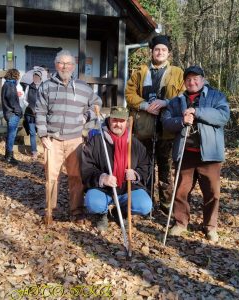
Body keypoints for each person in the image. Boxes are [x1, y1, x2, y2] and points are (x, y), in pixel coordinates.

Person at [161, 65, 230, 242]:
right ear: (184, 82)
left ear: (203, 79)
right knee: (181, 191)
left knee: (212, 193)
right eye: (189, 79)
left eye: (196, 78)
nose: (192, 82)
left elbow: (223, 116)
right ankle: (181, 222)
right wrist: (181, 121)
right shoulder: (176, 101)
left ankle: (210, 227)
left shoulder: (216, 96)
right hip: (185, 154)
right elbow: (166, 122)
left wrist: (197, 112)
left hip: (210, 155)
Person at [35, 49, 102, 224]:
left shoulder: (83, 87)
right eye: (61, 63)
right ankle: (50, 210)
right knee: (51, 177)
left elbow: (97, 104)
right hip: (52, 139)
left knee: (76, 177)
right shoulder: (46, 86)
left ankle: (76, 211)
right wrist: (43, 136)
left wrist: (87, 116)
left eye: (68, 63)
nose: (64, 67)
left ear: (73, 66)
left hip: (75, 140)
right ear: (56, 65)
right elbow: (40, 112)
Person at [125, 35, 185, 215]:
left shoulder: (178, 73)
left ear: (169, 53)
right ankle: (146, 204)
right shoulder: (140, 71)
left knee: (166, 171)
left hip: (167, 131)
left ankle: (166, 207)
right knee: (145, 168)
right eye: (157, 49)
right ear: (152, 51)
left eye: (164, 50)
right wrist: (145, 106)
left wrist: (166, 103)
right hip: (144, 130)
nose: (160, 52)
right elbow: (129, 94)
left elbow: (183, 94)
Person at [81, 106, 152, 231]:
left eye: (121, 121)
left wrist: (136, 174)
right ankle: (102, 213)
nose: (118, 124)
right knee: (92, 202)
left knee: (145, 205)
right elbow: (86, 167)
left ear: (127, 123)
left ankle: (122, 211)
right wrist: (102, 178)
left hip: (127, 188)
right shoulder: (97, 141)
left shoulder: (135, 144)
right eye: (114, 120)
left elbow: (146, 166)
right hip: (103, 190)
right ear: (109, 120)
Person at [1, 68, 23, 165]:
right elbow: (12, 101)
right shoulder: (10, 85)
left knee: (10, 135)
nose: (19, 77)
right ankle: (9, 157)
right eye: (18, 75)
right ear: (15, 75)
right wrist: (19, 111)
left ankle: (7, 155)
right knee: (11, 136)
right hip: (12, 114)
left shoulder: (6, 84)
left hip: (9, 113)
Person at [23, 70, 42, 159]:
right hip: (29, 114)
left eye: (37, 77)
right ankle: (34, 151)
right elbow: (24, 99)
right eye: (34, 77)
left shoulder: (43, 87)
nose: (36, 78)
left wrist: (39, 109)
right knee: (32, 132)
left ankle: (46, 151)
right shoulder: (29, 87)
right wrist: (29, 106)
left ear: (40, 78)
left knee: (42, 132)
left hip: (40, 115)